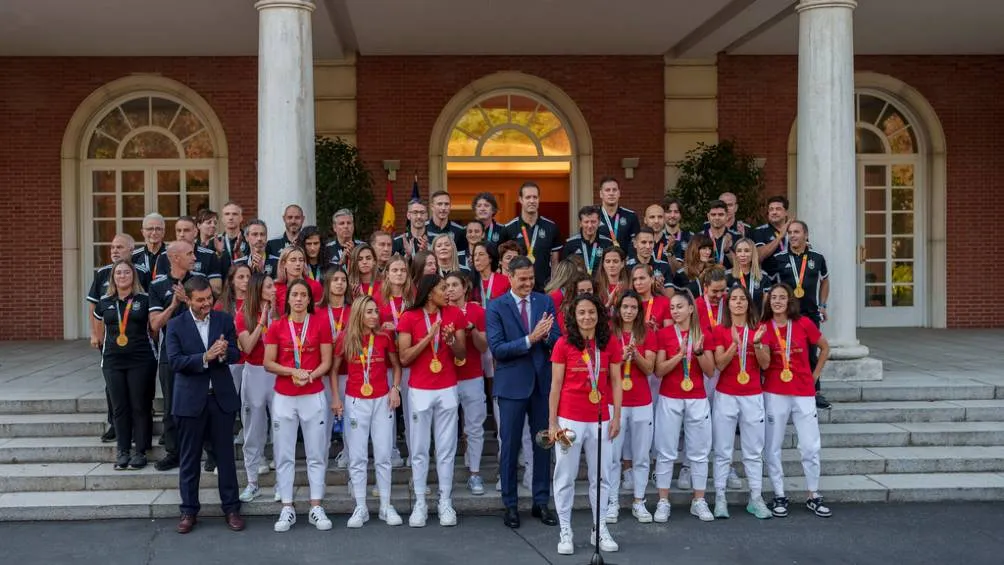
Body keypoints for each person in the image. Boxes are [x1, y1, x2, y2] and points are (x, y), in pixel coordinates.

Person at [485, 256, 561, 529]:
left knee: (543, 443)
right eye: (523, 279)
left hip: (542, 385)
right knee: (510, 446)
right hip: (512, 386)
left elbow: (557, 339)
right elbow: (498, 349)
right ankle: (511, 505)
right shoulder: (496, 306)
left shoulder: (545, 301)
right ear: (509, 276)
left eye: (531, 278)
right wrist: (531, 338)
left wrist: (547, 335)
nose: (528, 283)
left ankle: (541, 502)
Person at [165, 275, 244, 534]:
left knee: (226, 459)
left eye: (209, 298)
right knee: (189, 459)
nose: (207, 303)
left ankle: (231, 509)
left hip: (220, 400)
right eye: (200, 300)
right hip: (189, 402)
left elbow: (236, 353)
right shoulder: (176, 325)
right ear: (187, 299)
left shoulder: (224, 319)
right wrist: (204, 357)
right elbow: (175, 362)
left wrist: (223, 353)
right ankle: (188, 511)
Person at [548, 293, 623, 555]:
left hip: (601, 417)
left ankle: (599, 528)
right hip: (569, 418)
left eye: (591, 312)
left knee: (601, 477)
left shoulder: (610, 342)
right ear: (574, 316)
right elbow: (555, 385)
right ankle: (565, 530)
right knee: (565, 477)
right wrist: (552, 421)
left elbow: (615, 381)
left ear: (599, 314)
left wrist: (617, 416)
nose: (587, 317)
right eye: (581, 313)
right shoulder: (563, 344)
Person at [263, 278, 334, 533]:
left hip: (313, 393)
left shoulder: (320, 323)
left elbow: (327, 361)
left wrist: (310, 376)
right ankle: (287, 507)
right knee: (284, 454)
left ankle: (316, 506)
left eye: (304, 295)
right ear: (288, 299)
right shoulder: (277, 326)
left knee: (316, 453)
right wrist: (293, 371)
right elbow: (268, 362)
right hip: (284, 395)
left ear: (309, 299)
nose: (300, 299)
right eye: (295, 294)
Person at [396, 274, 467, 527]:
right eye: (442, 288)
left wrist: (450, 341)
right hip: (420, 389)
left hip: (447, 386)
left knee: (446, 449)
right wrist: (429, 338)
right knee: (419, 448)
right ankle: (420, 502)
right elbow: (404, 358)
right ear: (428, 293)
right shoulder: (409, 317)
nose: (447, 291)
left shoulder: (455, 314)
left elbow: (462, 353)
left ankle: (445, 501)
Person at [760, 284, 832, 518]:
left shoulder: (803, 323)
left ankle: (813, 493)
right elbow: (761, 362)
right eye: (774, 298)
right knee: (772, 447)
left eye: (782, 297)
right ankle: (779, 494)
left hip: (803, 391)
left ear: (790, 300)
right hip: (774, 391)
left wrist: (815, 376)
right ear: (769, 302)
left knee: (810, 446)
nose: (778, 301)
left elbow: (824, 347)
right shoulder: (763, 327)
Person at [332, 295, 404, 527]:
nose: (375, 316)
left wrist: (395, 389)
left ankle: (385, 505)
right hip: (355, 401)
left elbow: (396, 365)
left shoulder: (384, 337)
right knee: (358, 456)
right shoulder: (345, 338)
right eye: (369, 311)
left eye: (376, 311)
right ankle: (361, 506)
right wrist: (336, 398)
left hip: (382, 400)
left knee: (383, 455)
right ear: (359, 314)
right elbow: (333, 371)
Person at [653, 291, 717, 523]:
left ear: (691, 309)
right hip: (670, 396)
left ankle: (698, 500)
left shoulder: (703, 334)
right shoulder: (663, 334)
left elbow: (710, 371)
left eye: (680, 306)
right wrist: (679, 355)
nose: (675, 311)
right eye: (672, 308)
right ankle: (663, 500)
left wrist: (698, 353)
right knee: (666, 450)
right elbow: (658, 370)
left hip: (697, 397)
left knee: (699, 451)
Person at [711, 285, 773, 520]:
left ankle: (755, 498)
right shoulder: (720, 330)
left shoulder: (759, 329)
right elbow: (719, 364)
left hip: (752, 395)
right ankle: (720, 497)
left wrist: (756, 344)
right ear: (728, 304)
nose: (738, 302)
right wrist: (735, 344)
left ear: (748, 303)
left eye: (742, 299)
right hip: (726, 394)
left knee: (753, 450)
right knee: (723, 450)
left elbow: (766, 364)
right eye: (734, 299)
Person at [93, 259, 157, 470]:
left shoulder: (145, 299)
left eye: (126, 273)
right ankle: (122, 450)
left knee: (139, 405)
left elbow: (154, 330)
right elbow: (98, 328)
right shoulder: (104, 301)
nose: (122, 276)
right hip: (112, 360)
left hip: (140, 359)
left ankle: (140, 451)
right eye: (118, 273)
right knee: (119, 407)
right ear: (113, 277)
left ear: (133, 276)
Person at [149, 241, 206, 471]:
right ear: (174, 258)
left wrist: (189, 302)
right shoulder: (158, 285)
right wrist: (174, 305)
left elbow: (207, 313)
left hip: (200, 353)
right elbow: (154, 324)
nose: (194, 257)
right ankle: (174, 453)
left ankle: (207, 451)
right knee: (172, 406)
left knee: (203, 404)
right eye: (189, 253)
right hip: (170, 354)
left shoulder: (199, 282)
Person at [89, 233, 150, 442]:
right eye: (112, 247)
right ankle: (115, 425)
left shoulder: (142, 273)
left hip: (137, 344)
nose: (115, 251)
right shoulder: (103, 273)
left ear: (131, 250)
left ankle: (140, 432)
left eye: (120, 247)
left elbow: (148, 306)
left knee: (138, 392)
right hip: (112, 341)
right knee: (114, 388)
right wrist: (95, 333)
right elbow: (94, 304)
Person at [606, 291, 657, 524]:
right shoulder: (607, 331)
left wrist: (635, 354)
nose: (629, 311)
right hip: (614, 402)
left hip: (641, 401)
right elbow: (602, 368)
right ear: (618, 308)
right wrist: (619, 357)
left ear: (638, 310)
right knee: (613, 456)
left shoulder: (646, 332)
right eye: (625, 306)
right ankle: (612, 501)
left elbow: (650, 369)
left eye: (633, 307)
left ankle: (639, 501)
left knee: (641, 456)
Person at [773, 220, 831, 409]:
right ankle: (788, 389)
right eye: (789, 232)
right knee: (787, 352)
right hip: (787, 315)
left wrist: (823, 305)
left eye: (796, 232)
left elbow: (825, 281)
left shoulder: (818, 257)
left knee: (812, 354)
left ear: (806, 234)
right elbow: (773, 285)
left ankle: (815, 391)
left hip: (810, 314)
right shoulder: (780, 258)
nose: (792, 236)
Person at [444, 271, 489, 496]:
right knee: (448, 430)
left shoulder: (477, 311)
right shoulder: (441, 312)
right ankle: (447, 474)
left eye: (455, 285)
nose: (450, 289)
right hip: (447, 378)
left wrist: (472, 330)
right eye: (447, 286)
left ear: (465, 288)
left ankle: (475, 473)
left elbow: (483, 347)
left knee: (474, 427)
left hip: (472, 376)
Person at [234, 272, 277, 503]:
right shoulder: (243, 315)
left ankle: (282, 483)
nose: (274, 289)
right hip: (255, 372)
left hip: (278, 373)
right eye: (269, 286)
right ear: (259, 289)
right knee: (253, 429)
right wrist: (262, 321)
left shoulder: (283, 312)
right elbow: (247, 347)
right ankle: (252, 483)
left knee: (281, 429)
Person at [499, 182, 562, 291]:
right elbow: (502, 262)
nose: (532, 201)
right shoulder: (508, 229)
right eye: (528, 197)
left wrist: (554, 286)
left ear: (539, 199)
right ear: (521, 199)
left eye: (535, 197)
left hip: (544, 289)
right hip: (517, 289)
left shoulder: (551, 227)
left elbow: (555, 261)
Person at [320, 268, 352, 469]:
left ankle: (349, 455)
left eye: (343, 280)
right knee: (323, 421)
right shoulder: (318, 310)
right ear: (328, 284)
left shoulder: (354, 309)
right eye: (335, 280)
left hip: (349, 372)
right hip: (323, 374)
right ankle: (320, 460)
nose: (340, 283)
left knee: (350, 420)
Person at [559, 205, 613, 275]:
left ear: (599, 222)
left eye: (593, 222)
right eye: (586, 222)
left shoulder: (608, 243)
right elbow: (564, 270)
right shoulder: (570, 244)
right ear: (580, 223)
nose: (590, 226)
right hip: (577, 284)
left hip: (601, 284)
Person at [273, 246, 322, 316]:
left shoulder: (315, 286)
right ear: (284, 264)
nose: (298, 264)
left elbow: (319, 314)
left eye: (301, 260)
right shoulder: (276, 288)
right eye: (293, 260)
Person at [596, 176, 641, 252]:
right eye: (607, 190)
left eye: (614, 190)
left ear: (619, 193)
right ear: (601, 194)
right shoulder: (594, 216)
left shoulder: (631, 216)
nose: (611, 193)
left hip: (624, 261)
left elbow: (635, 243)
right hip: (599, 261)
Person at [727, 237, 772, 311]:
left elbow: (766, 307)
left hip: (757, 321)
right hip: (736, 321)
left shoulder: (763, 276)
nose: (743, 254)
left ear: (753, 254)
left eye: (747, 251)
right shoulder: (728, 276)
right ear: (735, 254)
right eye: (739, 251)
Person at [751, 195, 791, 277]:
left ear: (786, 212)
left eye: (778, 209)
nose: (774, 212)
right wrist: (780, 237)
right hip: (770, 280)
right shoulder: (760, 231)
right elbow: (759, 256)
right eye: (771, 209)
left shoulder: (794, 230)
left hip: (793, 279)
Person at [627, 227, 674, 296]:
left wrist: (660, 288)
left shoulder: (664, 266)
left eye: (651, 242)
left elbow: (671, 297)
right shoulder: (627, 267)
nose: (648, 246)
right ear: (635, 244)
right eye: (643, 242)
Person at [426, 191, 468, 256]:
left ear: (450, 206)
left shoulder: (460, 231)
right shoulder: (423, 228)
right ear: (432, 207)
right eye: (439, 204)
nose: (443, 208)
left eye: (446, 204)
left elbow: (462, 258)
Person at [672, 234, 715, 298]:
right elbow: (678, 299)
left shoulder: (714, 271)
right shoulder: (681, 274)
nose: (708, 252)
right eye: (704, 248)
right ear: (694, 249)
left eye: (709, 249)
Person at [470, 241, 510, 307]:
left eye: (481, 254)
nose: (476, 258)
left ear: (490, 258)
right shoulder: (470, 282)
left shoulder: (505, 281)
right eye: (475, 255)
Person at [701, 200, 738, 268]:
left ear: (727, 216)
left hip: (730, 277)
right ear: (708, 217)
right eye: (713, 215)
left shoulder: (737, 237)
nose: (717, 218)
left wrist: (728, 251)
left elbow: (742, 266)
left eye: (721, 214)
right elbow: (692, 264)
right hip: (706, 277)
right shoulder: (699, 237)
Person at [133, 212, 168, 284]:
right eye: (150, 229)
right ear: (143, 232)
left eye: (158, 229)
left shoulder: (173, 255)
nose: (154, 232)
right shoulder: (133, 257)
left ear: (163, 232)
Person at [218, 202, 250, 277]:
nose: (231, 217)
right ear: (222, 219)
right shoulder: (214, 242)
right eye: (227, 214)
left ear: (241, 218)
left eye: (235, 214)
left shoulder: (249, 240)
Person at [594, 246, 629, 314]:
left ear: (622, 264)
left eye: (615, 261)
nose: (611, 265)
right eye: (608, 261)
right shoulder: (596, 287)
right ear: (603, 264)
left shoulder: (629, 286)